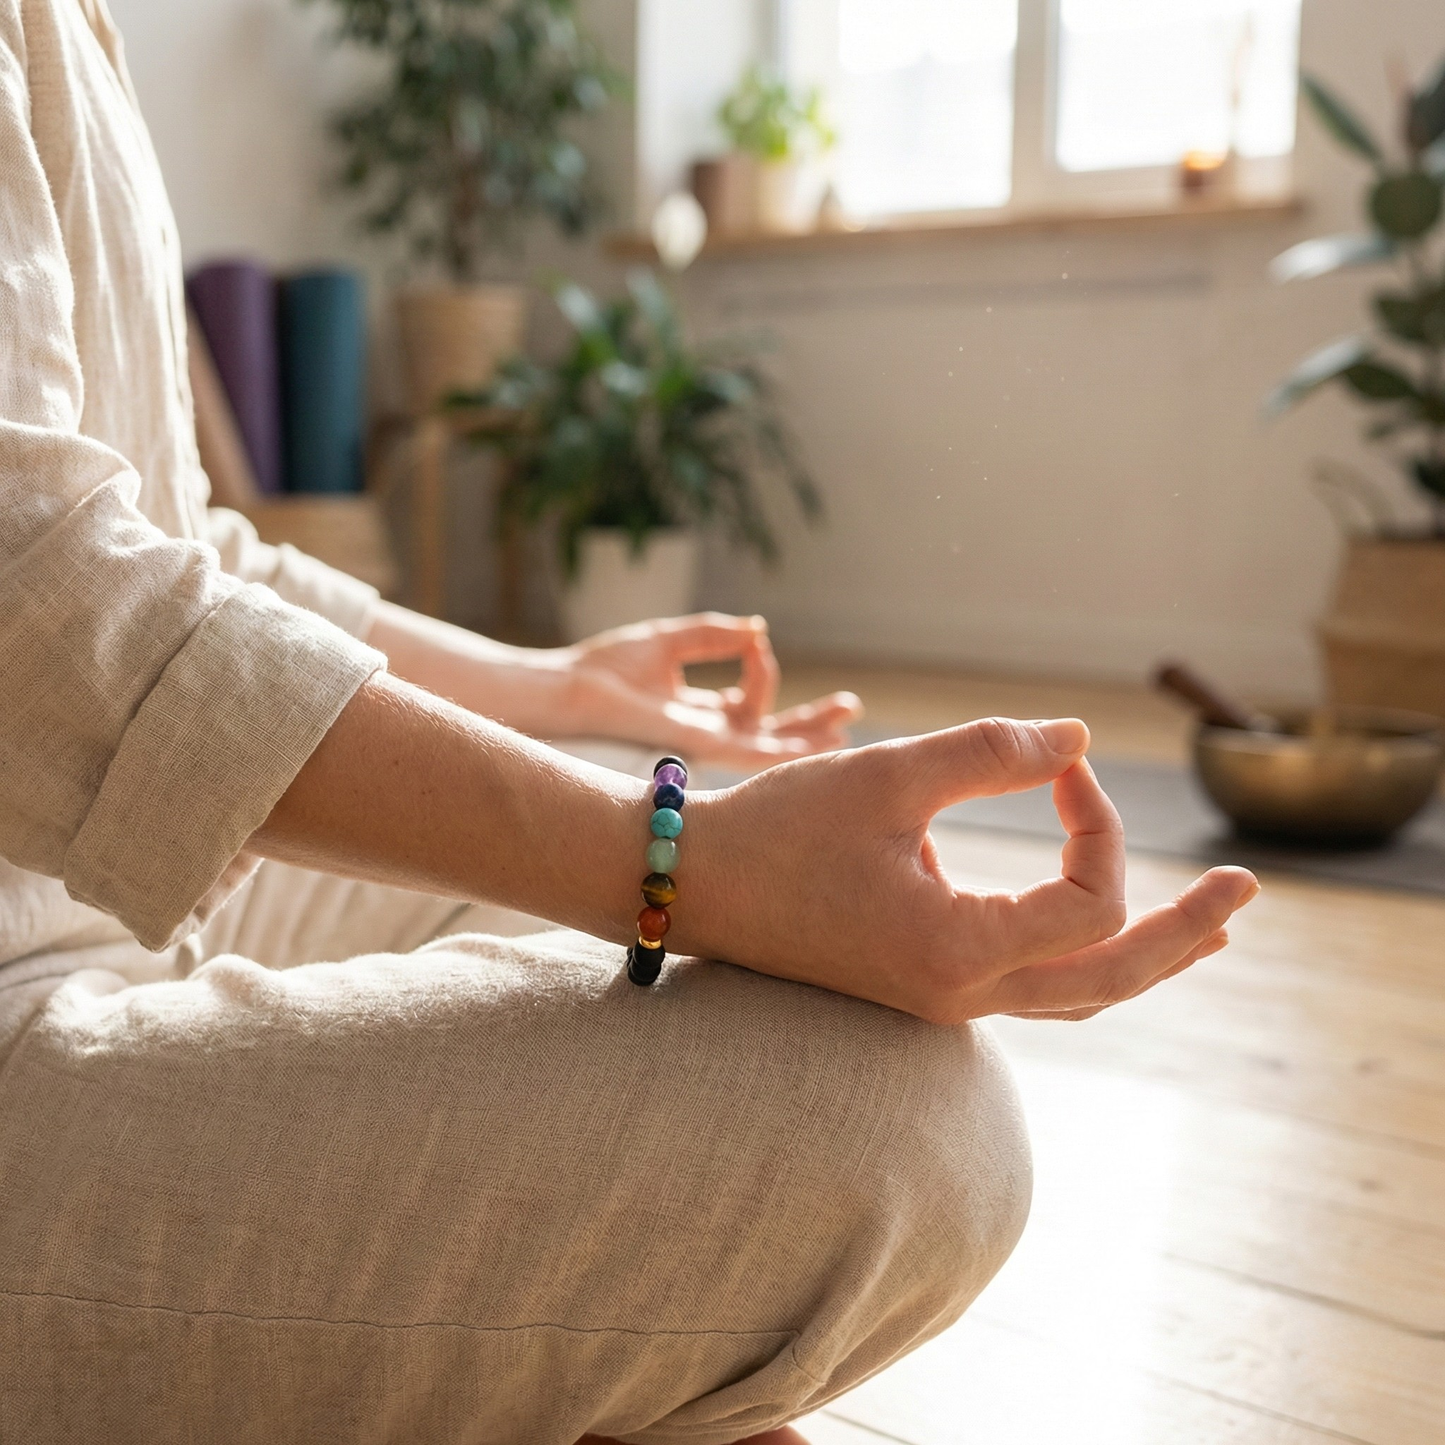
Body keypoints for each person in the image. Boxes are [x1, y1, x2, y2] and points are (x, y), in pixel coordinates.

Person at [0, 2, 1260, 1441]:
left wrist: (553, 685)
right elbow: (36, 593)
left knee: (620, 788)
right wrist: (692, 867)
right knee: (908, 1135)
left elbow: (185, 548)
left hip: (94, 887)